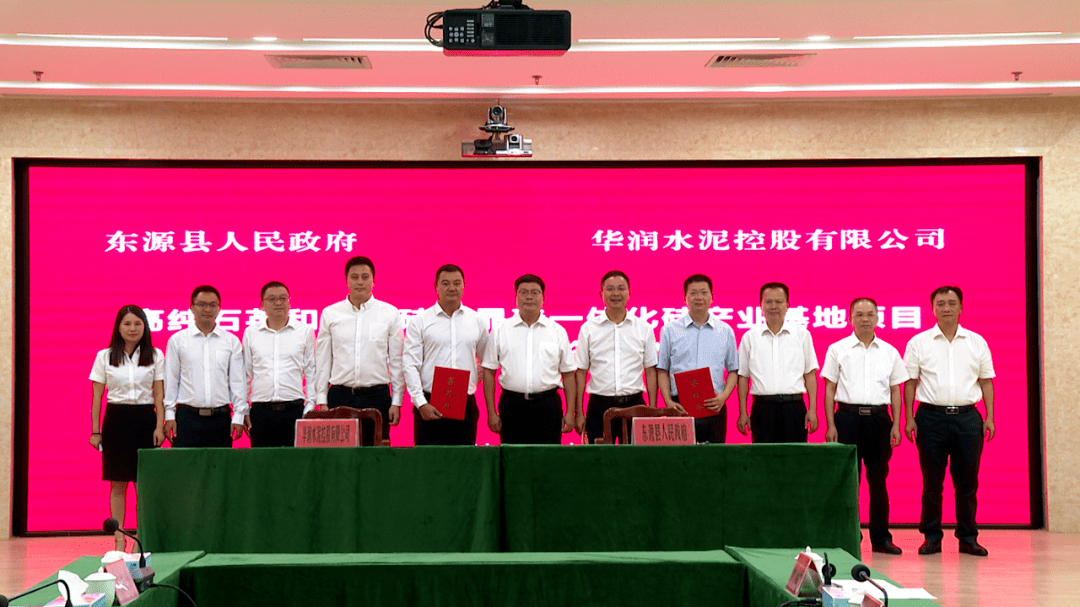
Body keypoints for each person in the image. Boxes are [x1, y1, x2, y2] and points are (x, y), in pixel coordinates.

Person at [904, 285, 995, 557]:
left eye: (952, 303)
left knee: (967, 483)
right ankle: (931, 537)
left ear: (961, 307)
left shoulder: (977, 342)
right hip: (930, 418)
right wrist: (908, 417)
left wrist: (990, 417)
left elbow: (986, 381)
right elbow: (910, 383)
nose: (946, 308)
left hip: (968, 419)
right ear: (932, 309)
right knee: (932, 482)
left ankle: (968, 537)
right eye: (941, 303)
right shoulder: (918, 342)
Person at [821, 297, 907, 555]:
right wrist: (831, 424)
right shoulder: (838, 349)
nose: (865, 319)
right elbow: (829, 389)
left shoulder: (889, 351)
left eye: (870, 314)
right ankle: (850, 536)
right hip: (847, 418)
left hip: (880, 420)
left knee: (878, 481)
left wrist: (896, 425)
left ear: (878, 318)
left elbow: (896, 390)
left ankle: (881, 538)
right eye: (859, 315)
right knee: (849, 482)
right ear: (850, 319)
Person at [89, 305, 166, 551]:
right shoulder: (104, 356)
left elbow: (159, 394)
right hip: (116, 420)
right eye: (127, 324)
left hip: (145, 420)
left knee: (143, 485)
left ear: (145, 327)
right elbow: (97, 397)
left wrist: (160, 426)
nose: (133, 329)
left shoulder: (155, 355)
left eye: (137, 324)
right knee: (118, 483)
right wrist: (95, 431)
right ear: (118, 328)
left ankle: (141, 537)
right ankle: (119, 538)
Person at [315, 256, 404, 445]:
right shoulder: (330, 313)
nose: (360, 282)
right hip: (340, 396)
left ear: (374, 280)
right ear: (346, 281)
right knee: (339, 456)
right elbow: (323, 360)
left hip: (377, 397)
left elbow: (397, 361)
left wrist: (396, 401)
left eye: (365, 277)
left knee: (376, 456)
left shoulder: (390, 313)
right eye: (354, 277)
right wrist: (322, 400)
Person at [482, 274, 577, 444]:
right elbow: (489, 372)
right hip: (512, 406)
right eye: (523, 292)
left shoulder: (557, 331)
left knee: (547, 457)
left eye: (535, 292)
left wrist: (570, 412)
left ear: (543, 299)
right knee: (512, 457)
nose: (529, 297)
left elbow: (569, 374)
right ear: (516, 298)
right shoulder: (501, 330)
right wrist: (491, 412)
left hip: (548, 405)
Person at [404, 264, 490, 445]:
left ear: (464, 286)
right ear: (436, 287)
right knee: (429, 460)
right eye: (445, 283)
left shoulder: (476, 321)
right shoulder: (420, 321)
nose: (452, 288)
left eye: (457, 283)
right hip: (428, 404)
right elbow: (410, 365)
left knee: (464, 459)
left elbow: (486, 359)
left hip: (465, 404)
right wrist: (421, 403)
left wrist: (471, 380)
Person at [575, 270, 658, 444]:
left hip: (635, 405)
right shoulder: (589, 328)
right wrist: (579, 412)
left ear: (629, 293)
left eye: (621, 288)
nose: (616, 293)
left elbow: (650, 370)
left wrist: (652, 409)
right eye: (610, 289)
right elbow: (581, 372)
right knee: (600, 457)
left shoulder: (644, 328)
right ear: (601, 294)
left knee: (636, 458)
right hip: (599, 406)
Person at [657, 274, 738, 443]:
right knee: (680, 456)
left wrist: (723, 397)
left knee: (714, 456)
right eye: (693, 293)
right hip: (680, 406)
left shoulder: (725, 331)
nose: (698, 297)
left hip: (713, 404)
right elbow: (662, 369)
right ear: (685, 298)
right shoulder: (670, 330)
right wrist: (668, 401)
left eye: (703, 292)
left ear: (712, 297)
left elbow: (733, 370)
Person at [163, 285, 247, 448]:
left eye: (212, 305)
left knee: (220, 464)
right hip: (186, 418)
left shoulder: (231, 341)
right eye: (202, 304)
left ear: (219, 308)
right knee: (185, 464)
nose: (207, 309)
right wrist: (170, 415)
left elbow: (237, 382)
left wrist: (239, 415)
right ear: (192, 307)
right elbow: (171, 380)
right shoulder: (178, 340)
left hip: (220, 419)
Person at [736, 282, 819, 443]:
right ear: (761, 305)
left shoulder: (802, 335)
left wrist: (812, 410)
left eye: (779, 302)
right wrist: (743, 412)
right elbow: (743, 378)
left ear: (787, 305)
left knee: (794, 456)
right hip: (762, 409)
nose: (773, 306)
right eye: (768, 302)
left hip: (794, 408)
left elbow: (810, 375)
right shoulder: (749, 337)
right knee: (763, 457)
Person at [243, 281, 316, 447]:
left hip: (295, 409)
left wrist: (310, 406)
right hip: (261, 411)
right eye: (272, 299)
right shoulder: (251, 333)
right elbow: (245, 374)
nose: (278, 303)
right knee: (262, 460)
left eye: (283, 298)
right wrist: (243, 409)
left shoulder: (304, 331)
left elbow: (312, 372)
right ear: (262, 305)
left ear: (289, 302)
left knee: (295, 460)